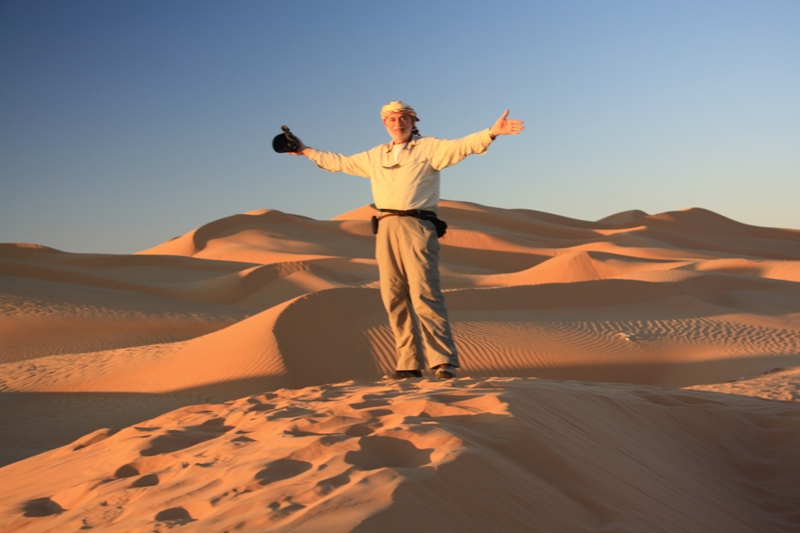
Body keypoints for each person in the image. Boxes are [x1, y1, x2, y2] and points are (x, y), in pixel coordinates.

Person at [284, 101, 524, 379]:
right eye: (392, 119)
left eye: (404, 118)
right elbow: (341, 162)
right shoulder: (375, 156)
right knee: (393, 295)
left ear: (413, 121)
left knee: (425, 292)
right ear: (384, 124)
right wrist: (305, 150)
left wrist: (492, 132)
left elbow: (462, 146)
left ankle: (443, 361)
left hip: (418, 225)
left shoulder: (430, 149)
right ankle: (408, 363)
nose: (398, 123)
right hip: (385, 226)